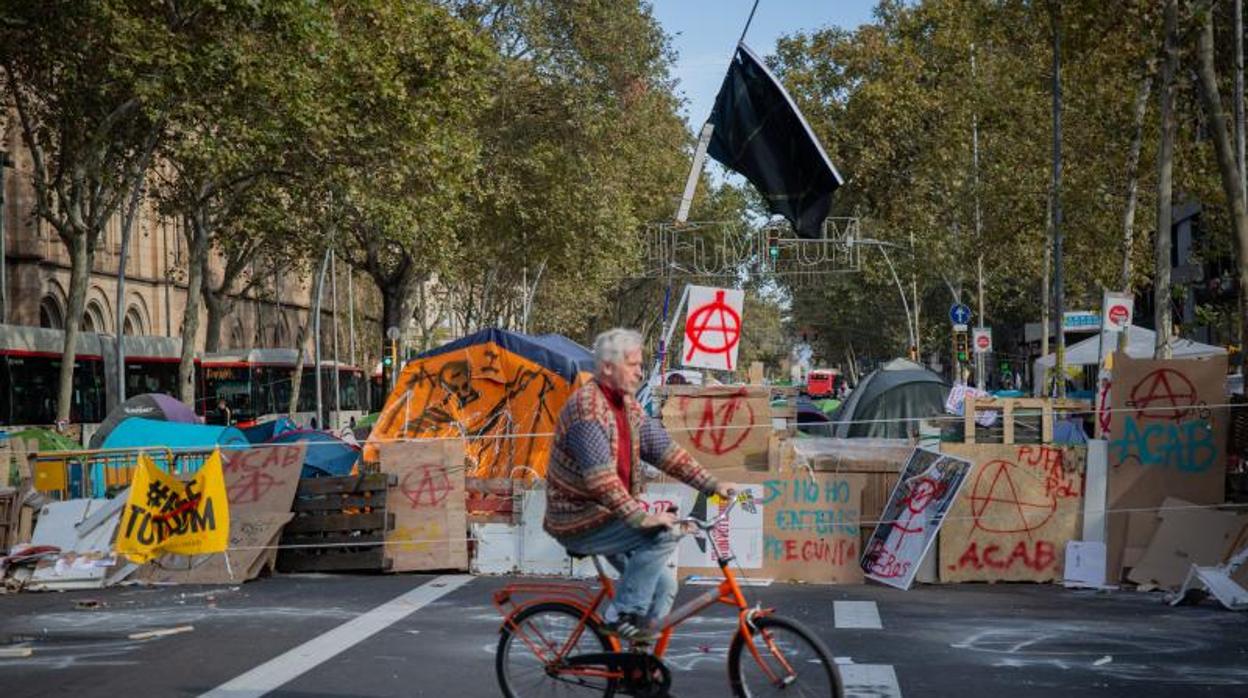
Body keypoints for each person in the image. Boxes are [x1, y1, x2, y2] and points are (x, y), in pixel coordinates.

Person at [545, 328, 735, 641]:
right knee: (662, 534)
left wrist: (711, 484)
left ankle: (639, 670)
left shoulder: (626, 405)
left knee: (664, 586)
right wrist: (641, 518)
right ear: (607, 367)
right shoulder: (587, 409)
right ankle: (619, 614)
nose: (640, 371)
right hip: (580, 519)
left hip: (608, 516)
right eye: (633, 364)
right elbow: (601, 479)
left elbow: (664, 451)